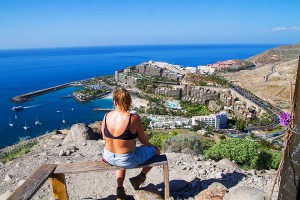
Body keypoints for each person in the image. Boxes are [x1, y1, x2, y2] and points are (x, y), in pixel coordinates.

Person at [101, 88, 160, 200]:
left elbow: (104, 137)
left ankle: (120, 189)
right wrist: (152, 145)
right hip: (126, 160)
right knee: (156, 151)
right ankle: (140, 178)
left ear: (115, 102)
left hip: (108, 156)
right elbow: (143, 140)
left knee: (121, 155)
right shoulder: (133, 118)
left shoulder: (106, 116)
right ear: (129, 101)